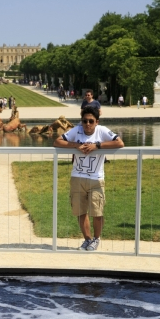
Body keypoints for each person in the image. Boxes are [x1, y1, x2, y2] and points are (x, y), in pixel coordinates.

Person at [53, 106, 124, 252]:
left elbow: (119, 143)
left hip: (96, 178)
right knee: (80, 211)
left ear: (96, 121)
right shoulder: (76, 130)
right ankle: (87, 239)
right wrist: (76, 145)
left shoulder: (102, 130)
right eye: (84, 121)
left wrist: (97, 146)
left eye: (91, 121)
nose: (87, 124)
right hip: (77, 177)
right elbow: (57, 142)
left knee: (97, 212)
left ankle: (96, 239)